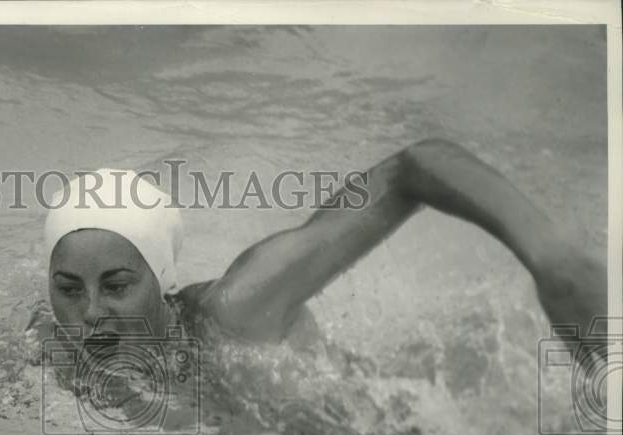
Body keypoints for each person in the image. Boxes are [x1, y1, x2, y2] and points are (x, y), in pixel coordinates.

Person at [40, 139, 606, 353]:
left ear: (160, 280)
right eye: (69, 289)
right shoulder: (49, 338)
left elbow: (414, 167)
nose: (89, 315)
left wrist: (549, 257)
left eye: (116, 286)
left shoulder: (235, 311)